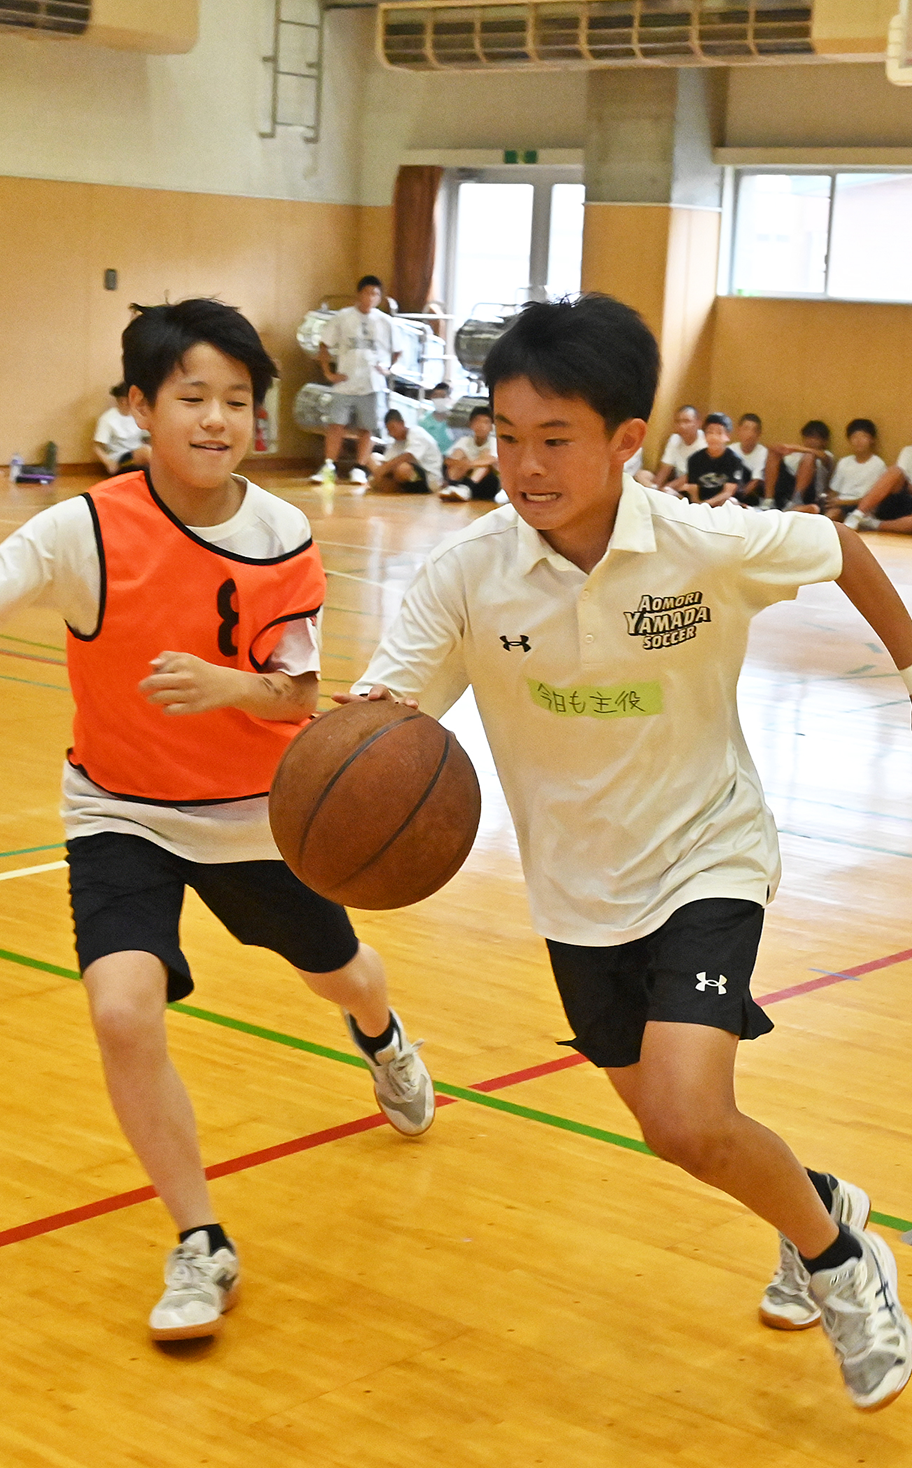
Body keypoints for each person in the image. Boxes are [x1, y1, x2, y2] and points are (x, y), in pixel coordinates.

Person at [337, 294, 912, 1412]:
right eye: (506, 435)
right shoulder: (468, 574)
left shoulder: (703, 541)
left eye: (554, 439)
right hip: (576, 890)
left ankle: (844, 1265)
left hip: (707, 852)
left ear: (625, 440)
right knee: (676, 1134)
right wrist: (295, 729)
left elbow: (838, 544)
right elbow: (384, 721)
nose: (524, 464)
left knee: (692, 1111)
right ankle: (820, 1205)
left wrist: (907, 657)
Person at [0, 298, 435, 1345]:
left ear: (258, 416)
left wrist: (228, 688)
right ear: (139, 407)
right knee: (123, 1011)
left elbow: (296, 696)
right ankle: (200, 1240)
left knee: (343, 974)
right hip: (118, 809)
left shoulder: (281, 534)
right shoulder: (78, 529)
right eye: (191, 397)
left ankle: (382, 1036)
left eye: (237, 400)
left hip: (253, 816)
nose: (216, 419)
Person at [311, 276, 399, 487]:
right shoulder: (343, 317)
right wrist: (328, 373)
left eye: (375, 294)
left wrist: (388, 369)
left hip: (372, 384)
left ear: (380, 297)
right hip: (345, 383)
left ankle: (360, 468)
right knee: (336, 425)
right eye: (367, 292)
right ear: (359, 294)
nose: (370, 297)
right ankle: (329, 466)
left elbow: (399, 349)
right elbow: (324, 344)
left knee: (367, 428)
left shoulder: (385, 321)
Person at [365, 409, 443, 493]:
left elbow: (408, 456)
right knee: (372, 458)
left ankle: (390, 486)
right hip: (407, 476)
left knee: (402, 468)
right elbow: (386, 461)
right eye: (389, 431)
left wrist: (383, 470)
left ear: (402, 423)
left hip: (429, 478)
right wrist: (379, 472)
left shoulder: (417, 433)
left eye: (393, 428)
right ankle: (386, 485)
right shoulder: (396, 442)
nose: (392, 434)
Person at [824, 420, 887, 523]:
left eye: (863, 437)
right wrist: (830, 502)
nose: (858, 441)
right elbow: (834, 491)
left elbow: (875, 497)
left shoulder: (878, 464)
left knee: (834, 515)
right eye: (854, 437)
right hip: (840, 503)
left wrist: (843, 502)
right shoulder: (844, 462)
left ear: (872, 440)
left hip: (861, 507)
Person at [677, 413, 745, 506]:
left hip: (720, 504)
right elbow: (694, 492)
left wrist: (706, 504)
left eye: (719, 433)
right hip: (699, 503)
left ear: (728, 436)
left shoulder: (734, 460)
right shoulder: (694, 459)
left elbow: (728, 493)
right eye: (710, 432)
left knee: (732, 501)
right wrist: (698, 505)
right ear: (704, 435)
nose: (714, 437)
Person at [764, 422, 833, 513]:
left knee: (809, 456)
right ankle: (768, 500)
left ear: (824, 441)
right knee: (774, 453)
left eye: (816, 438)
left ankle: (795, 501)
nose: (812, 440)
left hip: (808, 495)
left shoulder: (827, 455)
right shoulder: (794, 454)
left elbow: (822, 456)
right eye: (809, 437)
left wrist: (796, 448)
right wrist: (785, 449)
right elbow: (772, 448)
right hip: (786, 488)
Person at [634, 404, 704, 491]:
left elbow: (690, 476)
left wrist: (667, 488)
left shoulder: (705, 442)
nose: (682, 426)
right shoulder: (674, 439)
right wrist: (656, 486)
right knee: (641, 474)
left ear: (698, 423)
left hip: (694, 486)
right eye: (678, 421)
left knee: (668, 490)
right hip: (674, 484)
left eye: (687, 421)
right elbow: (665, 468)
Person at [845, 443, 912, 533]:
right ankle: (857, 515)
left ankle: (872, 524)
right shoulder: (908, 451)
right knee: (895, 471)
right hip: (901, 499)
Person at [441, 406, 500, 502]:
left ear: (491, 427)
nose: (481, 426)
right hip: (462, 478)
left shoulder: (494, 442)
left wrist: (469, 464)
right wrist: (465, 463)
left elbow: (492, 460)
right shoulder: (464, 440)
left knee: (485, 461)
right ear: (471, 424)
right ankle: (452, 486)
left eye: (485, 422)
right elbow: (449, 460)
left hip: (486, 484)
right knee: (459, 454)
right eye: (477, 421)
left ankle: (466, 488)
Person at [93, 382, 150, 475]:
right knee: (146, 451)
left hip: (138, 455)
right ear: (123, 400)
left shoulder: (137, 415)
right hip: (120, 459)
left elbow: (148, 437)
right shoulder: (108, 418)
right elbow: (97, 447)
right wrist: (109, 463)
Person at [730, 413, 768, 504]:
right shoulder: (730, 450)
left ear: (759, 434)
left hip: (750, 494)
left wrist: (740, 496)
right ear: (738, 431)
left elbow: (756, 481)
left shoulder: (763, 452)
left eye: (754, 430)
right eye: (746, 429)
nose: (750, 434)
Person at [419, 382, 460, 457]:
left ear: (448, 398)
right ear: (431, 397)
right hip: (429, 458)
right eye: (436, 396)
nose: (439, 399)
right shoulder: (424, 421)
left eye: (442, 396)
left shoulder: (456, 420)